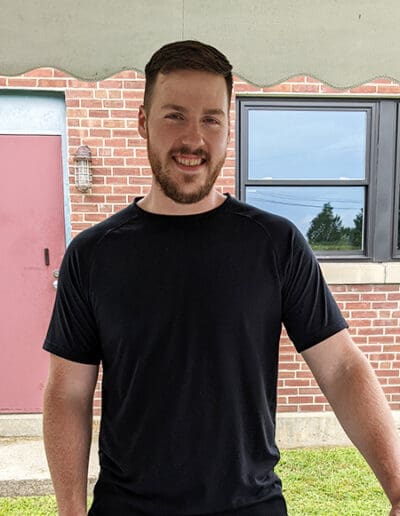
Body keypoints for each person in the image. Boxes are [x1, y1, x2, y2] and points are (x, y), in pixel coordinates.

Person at [43, 40, 400, 516]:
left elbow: (340, 368)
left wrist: (397, 485)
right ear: (142, 123)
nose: (194, 138)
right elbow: (68, 393)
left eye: (211, 119)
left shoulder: (275, 245)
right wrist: (70, 509)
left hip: (250, 506)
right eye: (175, 116)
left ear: (228, 132)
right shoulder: (92, 256)